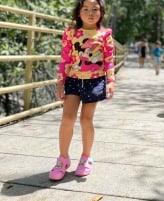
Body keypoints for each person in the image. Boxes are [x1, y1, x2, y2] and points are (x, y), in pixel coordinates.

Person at [49, 0, 115, 181]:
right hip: (73, 80)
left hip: (94, 81)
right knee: (67, 118)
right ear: (78, 12)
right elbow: (64, 59)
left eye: (95, 9)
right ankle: (63, 159)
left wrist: (110, 81)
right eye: (85, 9)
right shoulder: (70, 33)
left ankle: (86, 158)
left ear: (101, 12)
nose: (90, 13)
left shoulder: (105, 34)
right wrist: (60, 83)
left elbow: (109, 59)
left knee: (86, 120)